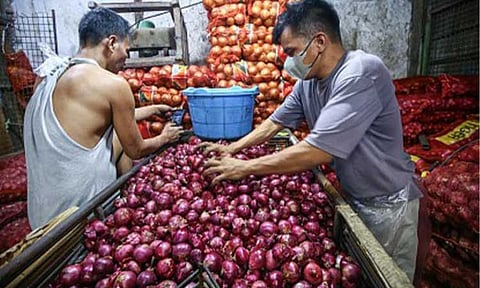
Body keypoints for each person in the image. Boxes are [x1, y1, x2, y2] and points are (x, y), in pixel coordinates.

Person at [201, 0, 422, 282]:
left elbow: (318, 150)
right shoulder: (308, 84)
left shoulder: (361, 72)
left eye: (292, 52)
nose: (289, 61)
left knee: (389, 278)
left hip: (389, 204)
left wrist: (244, 168)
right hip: (355, 196)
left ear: (319, 41)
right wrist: (232, 148)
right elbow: (275, 122)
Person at [24, 7, 183, 230]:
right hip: (74, 218)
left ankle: (126, 202)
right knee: (122, 143)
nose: (126, 59)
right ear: (111, 43)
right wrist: (165, 138)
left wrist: (152, 108)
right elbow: (136, 150)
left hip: (40, 214)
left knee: (115, 137)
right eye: (126, 50)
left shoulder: (49, 75)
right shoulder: (112, 84)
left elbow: (90, 119)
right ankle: (120, 210)